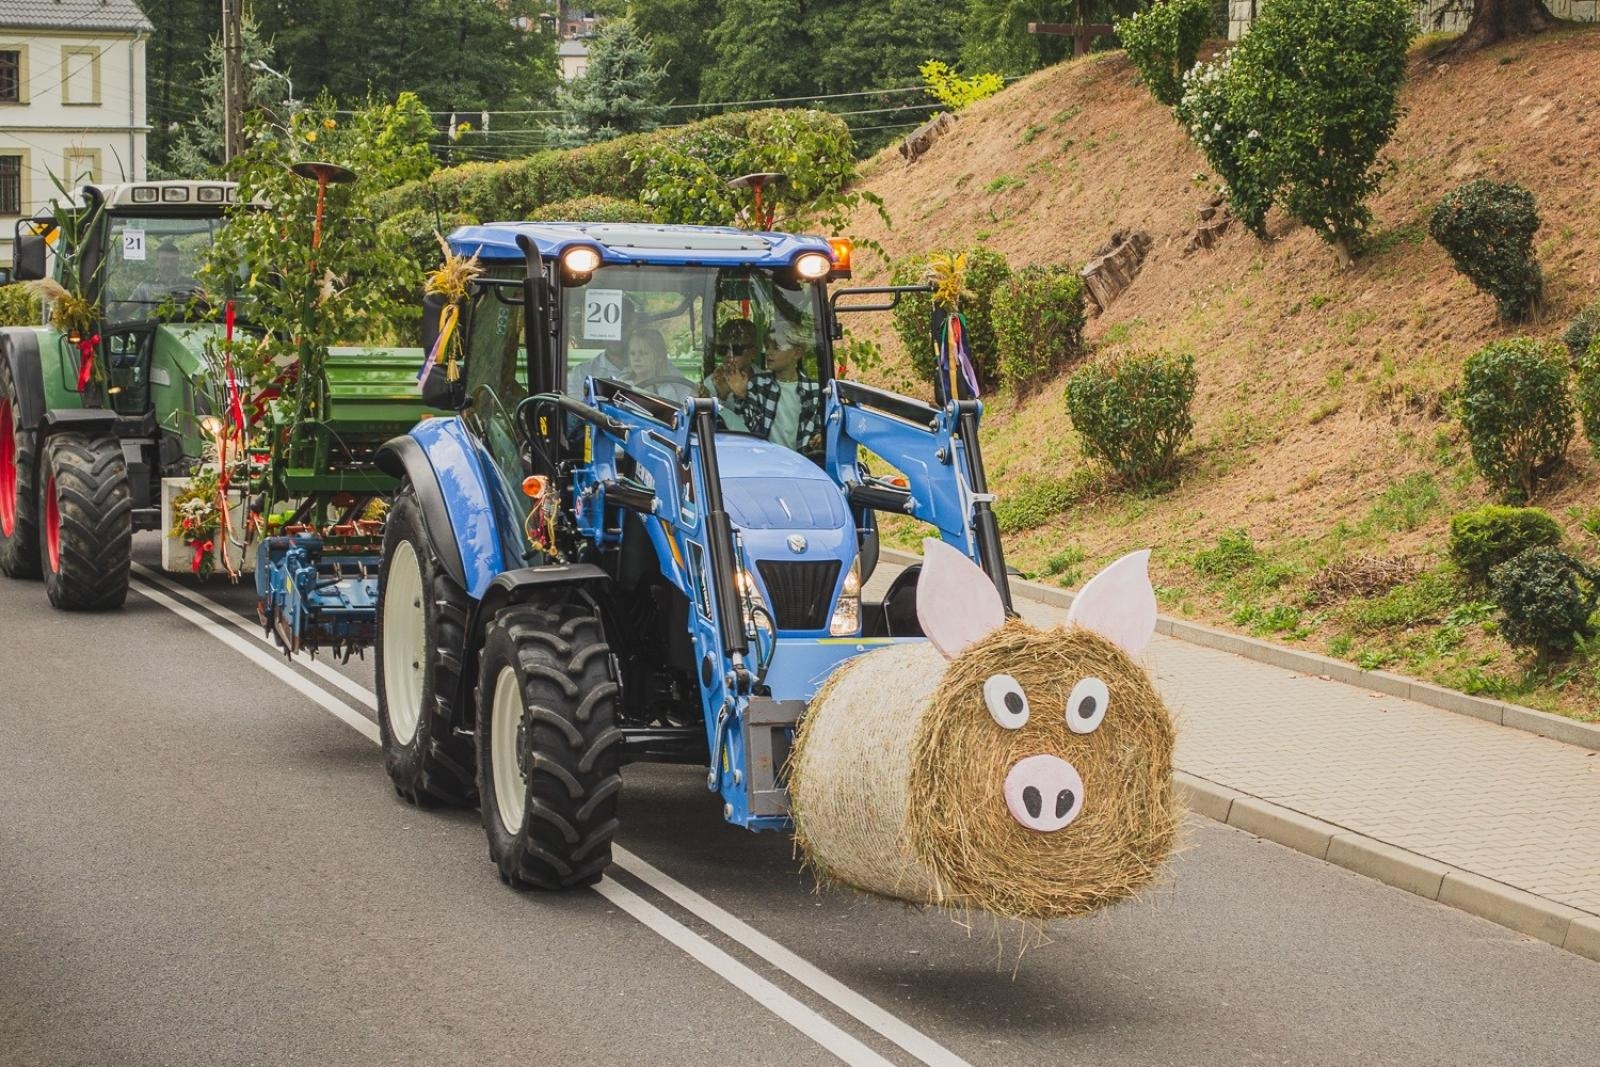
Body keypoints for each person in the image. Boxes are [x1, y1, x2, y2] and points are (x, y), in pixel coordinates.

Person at [713, 326, 822, 453]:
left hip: (802, 464)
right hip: (766, 461)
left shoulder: (814, 389)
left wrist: (819, 436)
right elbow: (747, 431)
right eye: (767, 347)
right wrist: (741, 395)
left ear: (797, 353)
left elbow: (819, 426)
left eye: (776, 347)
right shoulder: (758, 384)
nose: (769, 352)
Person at [624, 328, 696, 404]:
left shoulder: (665, 390)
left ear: (659, 357)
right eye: (632, 353)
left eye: (643, 353)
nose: (636, 358)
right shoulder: (623, 385)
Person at [128, 242, 192, 307]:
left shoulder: (191, 285)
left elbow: (201, 310)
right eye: (164, 260)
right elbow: (125, 309)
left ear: (178, 261)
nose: (168, 264)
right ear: (157, 262)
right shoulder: (146, 286)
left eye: (173, 260)